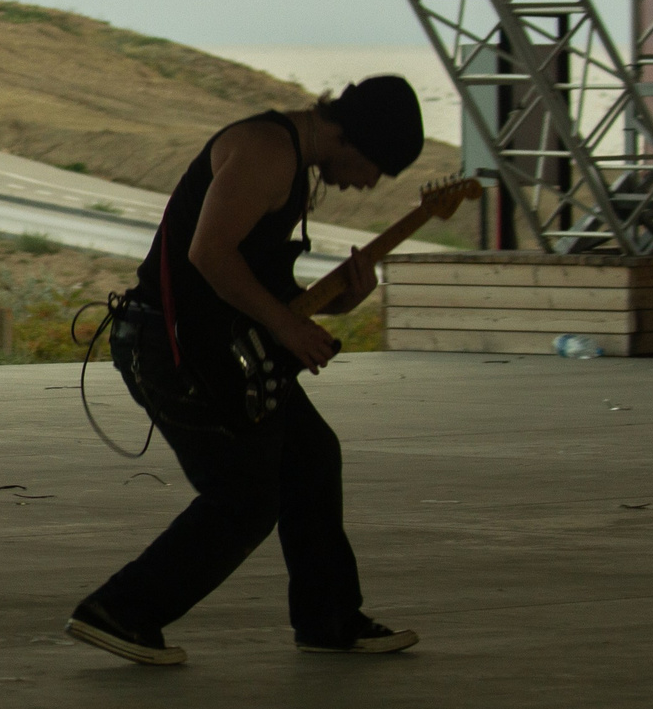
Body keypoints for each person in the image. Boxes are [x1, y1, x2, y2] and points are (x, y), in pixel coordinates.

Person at [68, 76, 425, 666]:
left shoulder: (290, 162)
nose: (368, 185)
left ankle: (329, 619)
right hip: (168, 346)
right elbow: (208, 254)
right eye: (374, 169)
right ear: (353, 138)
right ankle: (121, 611)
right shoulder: (267, 152)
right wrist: (287, 328)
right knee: (244, 496)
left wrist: (334, 303)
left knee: (311, 456)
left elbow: (253, 283)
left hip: (208, 344)